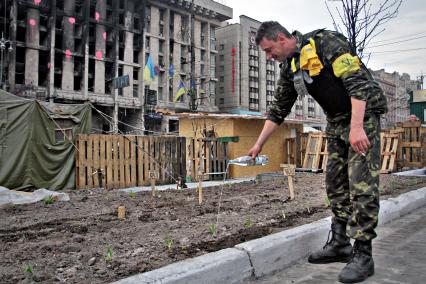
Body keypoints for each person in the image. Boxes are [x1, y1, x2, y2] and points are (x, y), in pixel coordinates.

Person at [249, 21, 387, 283]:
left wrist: (357, 128)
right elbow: (279, 109)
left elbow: (357, 83)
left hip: (362, 115)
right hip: (336, 120)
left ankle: (364, 255)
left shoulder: (326, 43)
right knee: (335, 183)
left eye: (268, 50)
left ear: (280, 38)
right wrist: (259, 144)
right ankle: (340, 243)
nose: (268, 57)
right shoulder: (290, 67)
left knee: (361, 184)